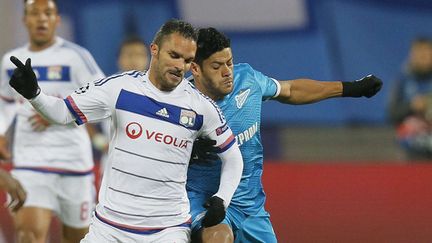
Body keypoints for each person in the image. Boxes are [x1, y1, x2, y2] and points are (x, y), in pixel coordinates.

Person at [7, 19, 244, 242]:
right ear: (155, 50)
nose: (179, 66)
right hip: (109, 229)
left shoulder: (201, 107)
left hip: (167, 230)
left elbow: (233, 156)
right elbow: (63, 113)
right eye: (174, 55)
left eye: (186, 60)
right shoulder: (118, 88)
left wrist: (222, 199)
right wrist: (34, 95)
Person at [186, 27, 383, 243]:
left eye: (229, 62)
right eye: (216, 66)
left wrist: (351, 88)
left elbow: (290, 90)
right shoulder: (182, 104)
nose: (227, 72)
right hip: (206, 202)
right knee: (219, 238)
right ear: (195, 68)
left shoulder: (248, 80)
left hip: (250, 205)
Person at [0, 0, 105, 242]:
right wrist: (1, 131)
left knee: (77, 239)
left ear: (57, 19)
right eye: (34, 13)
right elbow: (5, 101)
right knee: (27, 235)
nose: (41, 19)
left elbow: (102, 100)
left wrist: (59, 113)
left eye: (47, 13)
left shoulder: (77, 57)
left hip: (74, 165)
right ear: (25, 19)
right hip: (29, 162)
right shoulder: (11, 61)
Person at [388, 37, 432, 160]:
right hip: (410, 150)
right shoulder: (402, 80)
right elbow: (392, 113)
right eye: (419, 53)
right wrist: (412, 106)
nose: (422, 57)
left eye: (426, 53)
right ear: (412, 55)